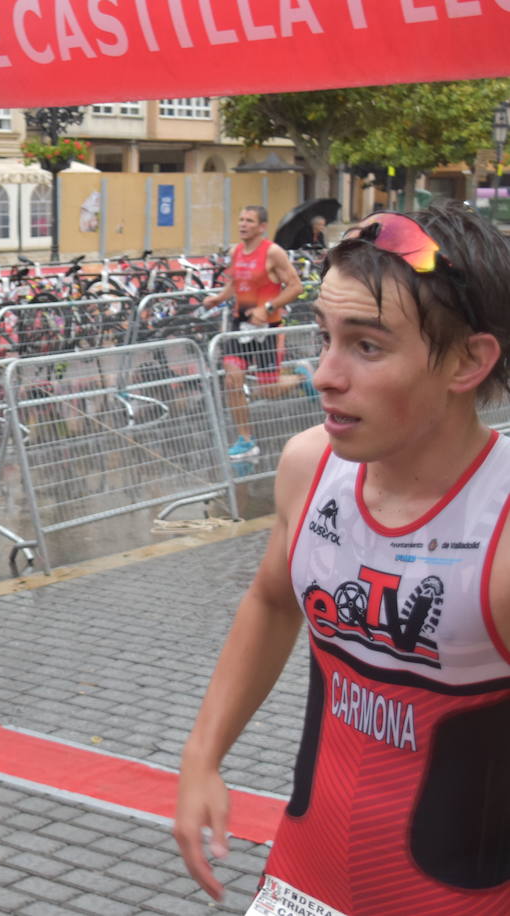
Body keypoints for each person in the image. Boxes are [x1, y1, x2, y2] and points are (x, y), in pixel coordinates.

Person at [174, 201, 510, 914]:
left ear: (468, 361)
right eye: (323, 336)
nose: (324, 375)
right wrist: (202, 754)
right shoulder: (307, 466)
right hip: (305, 875)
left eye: (366, 346)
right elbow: (271, 601)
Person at [203, 205, 316, 460]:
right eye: (241, 219)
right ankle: (245, 440)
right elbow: (235, 281)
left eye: (249, 221)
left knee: (268, 389)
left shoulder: (273, 253)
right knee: (232, 381)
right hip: (239, 327)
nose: (243, 224)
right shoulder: (236, 251)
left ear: (262, 226)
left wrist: (268, 307)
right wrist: (218, 297)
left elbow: (296, 287)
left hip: (267, 329)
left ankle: (300, 376)